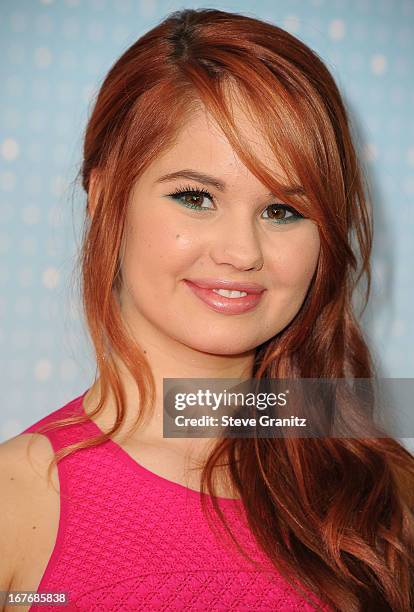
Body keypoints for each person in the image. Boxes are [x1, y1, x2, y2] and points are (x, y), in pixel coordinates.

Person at [1, 7, 413, 612]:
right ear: (106, 191)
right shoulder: (18, 501)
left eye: (282, 210)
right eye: (195, 197)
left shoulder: (384, 492)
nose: (242, 252)